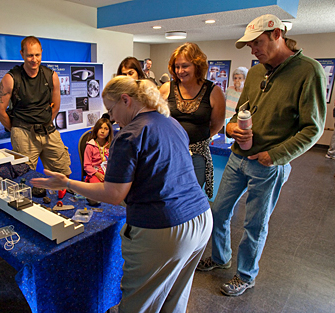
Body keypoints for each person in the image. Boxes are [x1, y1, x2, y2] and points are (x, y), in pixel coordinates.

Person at [31, 76, 213, 313]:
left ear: (125, 100)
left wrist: (67, 182)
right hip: (201, 219)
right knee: (174, 298)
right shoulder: (171, 123)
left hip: (164, 229)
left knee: (139, 304)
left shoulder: (130, 135)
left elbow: (113, 193)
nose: (112, 118)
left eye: (111, 110)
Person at [197, 14, 326, 297]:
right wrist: (231, 128)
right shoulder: (256, 72)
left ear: (277, 34)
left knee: (255, 224)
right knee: (218, 212)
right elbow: (241, 110)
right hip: (237, 158)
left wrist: (276, 155)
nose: (253, 50)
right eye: (250, 46)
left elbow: (312, 129)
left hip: (268, 165)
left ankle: (245, 275)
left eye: (258, 43)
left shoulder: (309, 71)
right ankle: (220, 258)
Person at [0, 36, 71, 177]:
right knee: (25, 176)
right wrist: (16, 129)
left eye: (37, 55)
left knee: (63, 173)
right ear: (22, 54)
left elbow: (56, 107)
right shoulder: (11, 78)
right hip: (23, 132)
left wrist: (44, 121)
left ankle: (61, 198)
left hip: (48, 130)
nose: (34, 59)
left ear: (41, 52)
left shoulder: (51, 76)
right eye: (30, 55)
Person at [160, 42, 226, 199]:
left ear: (197, 65)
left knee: (189, 199)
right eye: (177, 67)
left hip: (197, 156)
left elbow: (217, 124)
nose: (180, 71)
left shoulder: (214, 91)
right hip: (169, 154)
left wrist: (194, 138)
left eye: (185, 66)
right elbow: (155, 120)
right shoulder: (166, 89)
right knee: (167, 197)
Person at [84, 117, 113, 183]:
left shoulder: (111, 146)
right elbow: (87, 165)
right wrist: (97, 174)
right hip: (94, 173)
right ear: (96, 129)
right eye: (100, 128)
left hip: (108, 172)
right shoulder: (90, 146)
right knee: (99, 188)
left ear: (109, 132)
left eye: (106, 129)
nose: (102, 131)